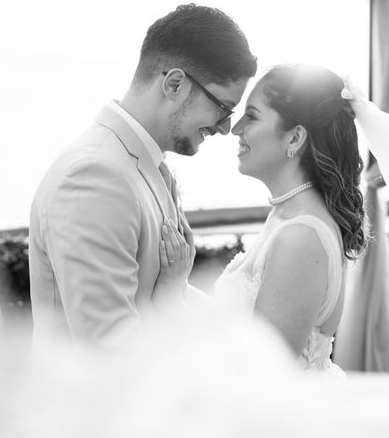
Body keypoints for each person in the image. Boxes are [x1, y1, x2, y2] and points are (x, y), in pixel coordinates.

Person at [28, 4, 257, 347]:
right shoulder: (94, 177)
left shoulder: (142, 163)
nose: (225, 128)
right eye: (222, 107)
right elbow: (111, 351)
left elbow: (169, 290)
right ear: (175, 84)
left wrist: (251, 349)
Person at [157, 64, 367, 373]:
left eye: (252, 116)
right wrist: (181, 282)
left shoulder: (301, 237)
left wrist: (170, 299)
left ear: (295, 138)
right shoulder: (287, 214)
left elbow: (262, 371)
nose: (236, 128)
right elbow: (241, 328)